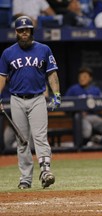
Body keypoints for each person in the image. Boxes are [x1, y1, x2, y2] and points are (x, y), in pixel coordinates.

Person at [0, 16, 61, 189]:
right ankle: (25, 178)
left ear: (31, 31)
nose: (24, 33)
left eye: (27, 30)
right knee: (22, 141)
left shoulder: (44, 49)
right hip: (17, 99)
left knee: (40, 137)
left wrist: (56, 93)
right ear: (16, 32)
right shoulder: (8, 53)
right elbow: (2, 77)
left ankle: (45, 171)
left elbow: (52, 73)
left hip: (37, 99)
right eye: (21, 30)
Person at [65, 67, 102, 145]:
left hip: (95, 117)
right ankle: (83, 150)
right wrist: (76, 112)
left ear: (90, 78)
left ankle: (97, 146)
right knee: (87, 131)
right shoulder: (73, 89)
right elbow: (65, 105)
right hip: (81, 118)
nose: (82, 79)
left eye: (85, 77)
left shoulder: (96, 90)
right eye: (80, 77)